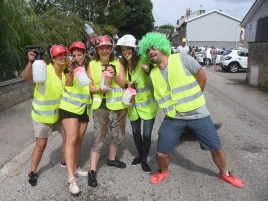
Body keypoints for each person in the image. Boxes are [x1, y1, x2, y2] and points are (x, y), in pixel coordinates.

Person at [138, 32, 243, 187]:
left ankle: (225, 173)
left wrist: (195, 98)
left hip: (197, 113)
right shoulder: (152, 74)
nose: (151, 52)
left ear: (162, 47)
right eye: (147, 50)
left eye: (154, 48)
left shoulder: (181, 58)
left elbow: (202, 77)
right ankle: (163, 171)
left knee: (216, 148)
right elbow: (155, 93)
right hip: (174, 116)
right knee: (161, 153)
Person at [23, 45, 68, 186]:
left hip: (59, 113)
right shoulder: (43, 68)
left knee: (68, 138)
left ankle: (65, 161)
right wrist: (31, 62)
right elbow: (27, 77)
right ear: (52, 58)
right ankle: (33, 171)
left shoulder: (67, 70)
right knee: (41, 145)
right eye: (58, 55)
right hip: (42, 115)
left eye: (64, 54)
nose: (62, 57)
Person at [87, 35, 127, 187]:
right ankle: (92, 171)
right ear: (97, 49)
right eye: (101, 48)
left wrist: (114, 74)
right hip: (101, 106)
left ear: (111, 48)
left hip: (117, 106)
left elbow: (123, 84)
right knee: (99, 137)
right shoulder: (92, 64)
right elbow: (89, 86)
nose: (104, 50)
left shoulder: (118, 62)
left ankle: (111, 159)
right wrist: (98, 89)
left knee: (118, 135)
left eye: (107, 47)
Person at [116, 34, 158, 173]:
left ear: (134, 49)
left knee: (146, 134)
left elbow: (158, 72)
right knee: (135, 133)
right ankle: (140, 155)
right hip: (133, 106)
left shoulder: (144, 60)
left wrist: (149, 71)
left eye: (128, 49)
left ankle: (145, 160)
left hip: (148, 105)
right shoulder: (123, 65)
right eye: (123, 49)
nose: (125, 52)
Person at [58, 41, 92, 194]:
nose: (77, 57)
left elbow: (91, 84)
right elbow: (69, 84)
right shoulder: (68, 67)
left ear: (84, 54)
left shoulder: (89, 66)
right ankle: (71, 178)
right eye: (74, 55)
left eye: (80, 54)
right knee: (71, 139)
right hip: (69, 107)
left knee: (79, 138)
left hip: (84, 107)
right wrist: (72, 71)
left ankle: (76, 167)